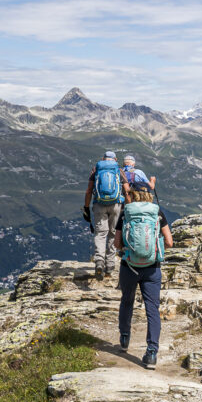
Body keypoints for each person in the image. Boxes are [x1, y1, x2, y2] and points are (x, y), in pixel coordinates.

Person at [115, 186, 173, 369]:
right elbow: (170, 242)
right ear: (149, 195)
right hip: (152, 269)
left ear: (132, 195)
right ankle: (152, 353)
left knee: (126, 301)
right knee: (152, 309)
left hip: (129, 266)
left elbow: (117, 242)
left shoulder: (126, 213)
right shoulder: (158, 212)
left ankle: (124, 338)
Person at [83, 151, 123, 279]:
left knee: (100, 234)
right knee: (113, 233)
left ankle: (99, 261)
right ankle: (110, 266)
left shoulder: (96, 169)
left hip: (99, 204)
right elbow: (126, 189)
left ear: (103, 158)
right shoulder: (118, 170)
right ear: (115, 159)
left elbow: (89, 190)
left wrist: (86, 207)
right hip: (116, 205)